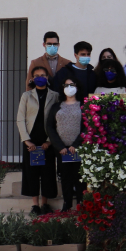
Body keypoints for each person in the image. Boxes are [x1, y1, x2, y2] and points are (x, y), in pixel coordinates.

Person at [17, 67, 59, 215]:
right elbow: (20, 119)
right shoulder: (26, 96)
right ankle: (35, 205)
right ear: (32, 78)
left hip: (47, 139)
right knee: (32, 172)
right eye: (37, 76)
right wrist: (26, 140)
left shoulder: (55, 96)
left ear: (47, 77)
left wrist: (49, 141)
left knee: (47, 172)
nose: (40, 78)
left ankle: (45, 204)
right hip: (31, 140)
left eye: (43, 75)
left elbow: (57, 120)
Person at [45, 76, 83, 212]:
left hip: (77, 149)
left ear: (77, 87)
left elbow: (86, 127)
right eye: (66, 85)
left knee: (79, 177)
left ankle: (80, 204)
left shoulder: (83, 105)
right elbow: (49, 126)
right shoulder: (56, 106)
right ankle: (67, 204)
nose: (69, 88)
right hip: (62, 150)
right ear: (62, 88)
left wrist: (76, 145)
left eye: (72, 84)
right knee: (65, 178)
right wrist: (60, 146)